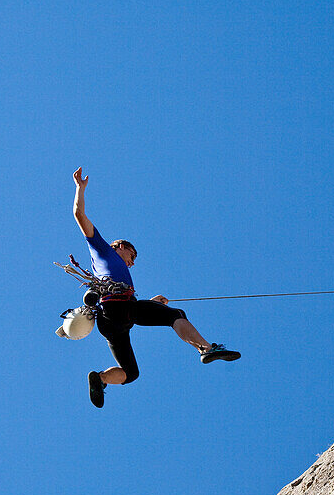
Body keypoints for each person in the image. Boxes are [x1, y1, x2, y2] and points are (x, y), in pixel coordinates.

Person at [72, 167, 240, 408]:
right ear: (119, 246)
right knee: (176, 315)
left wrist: (151, 303)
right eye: (132, 255)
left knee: (131, 373)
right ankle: (206, 349)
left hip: (111, 321)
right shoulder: (102, 250)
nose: (132, 262)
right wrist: (80, 188)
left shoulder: (115, 268)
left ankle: (100, 379)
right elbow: (79, 214)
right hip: (116, 304)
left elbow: (132, 309)